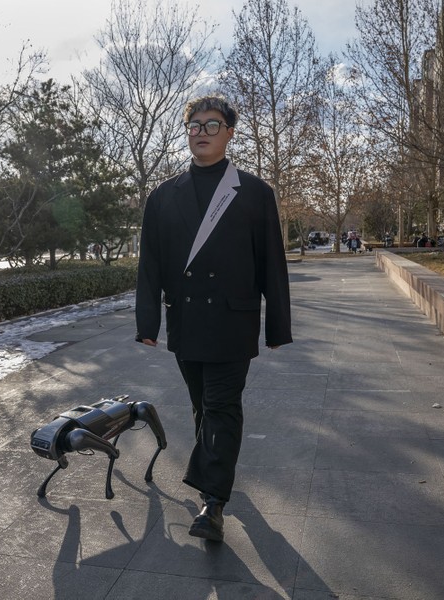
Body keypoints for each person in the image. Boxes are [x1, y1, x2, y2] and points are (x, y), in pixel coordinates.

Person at [135, 95, 293, 542]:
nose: (200, 132)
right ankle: (214, 479)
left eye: (211, 124)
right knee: (202, 407)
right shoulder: (164, 196)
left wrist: (277, 326)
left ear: (229, 132)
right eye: (193, 125)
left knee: (221, 406)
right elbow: (150, 264)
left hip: (231, 321)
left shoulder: (254, 192)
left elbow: (271, 263)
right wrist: (147, 324)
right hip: (186, 323)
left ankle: (213, 503)